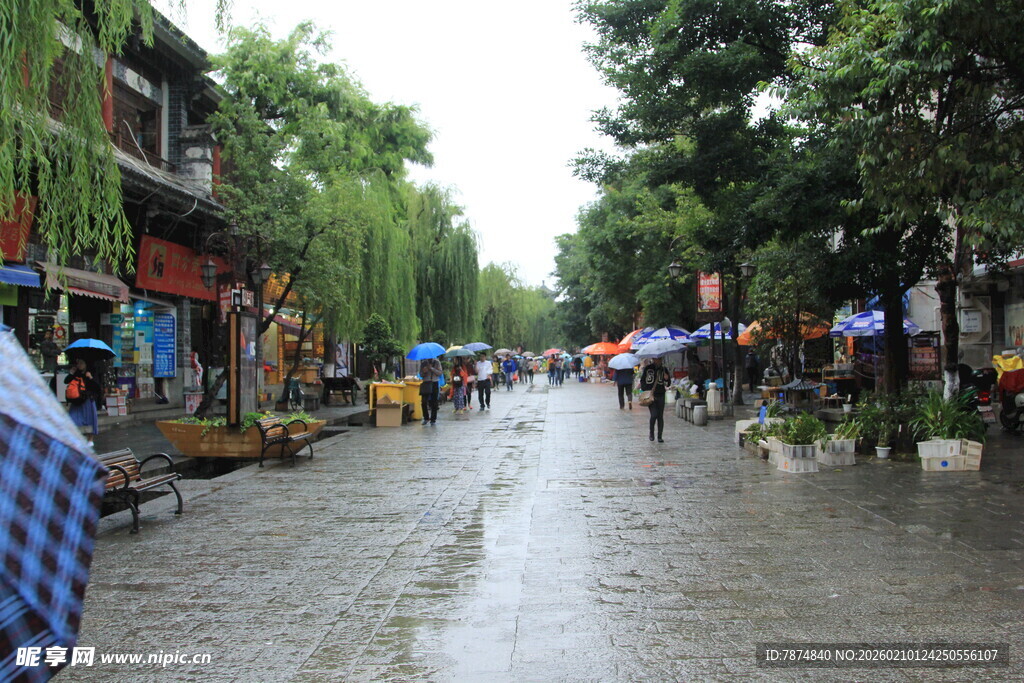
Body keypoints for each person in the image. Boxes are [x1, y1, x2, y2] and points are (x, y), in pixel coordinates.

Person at [65, 357, 101, 443]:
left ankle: (90, 439)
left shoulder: (91, 373)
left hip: (87, 400)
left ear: (86, 365)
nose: (79, 365)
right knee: (73, 418)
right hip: (77, 400)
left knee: (90, 419)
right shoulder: (76, 373)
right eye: (78, 363)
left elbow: (97, 388)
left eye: (81, 363)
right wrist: (71, 373)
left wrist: (91, 378)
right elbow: (66, 381)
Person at [640, 357, 671, 443]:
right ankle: (651, 433)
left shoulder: (664, 369)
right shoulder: (648, 368)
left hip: (661, 394)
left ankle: (660, 436)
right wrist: (646, 390)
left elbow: (668, 383)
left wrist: (667, 378)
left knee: (660, 416)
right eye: (656, 359)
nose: (658, 361)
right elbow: (643, 381)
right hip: (651, 395)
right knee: (654, 415)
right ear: (653, 359)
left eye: (660, 359)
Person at [419, 356, 443, 425]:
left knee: (434, 402)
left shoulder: (437, 362)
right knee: (424, 402)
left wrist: (432, 368)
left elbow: (440, 373)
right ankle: (426, 418)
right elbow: (421, 374)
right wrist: (424, 371)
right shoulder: (423, 363)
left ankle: (433, 419)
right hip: (426, 383)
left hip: (434, 382)